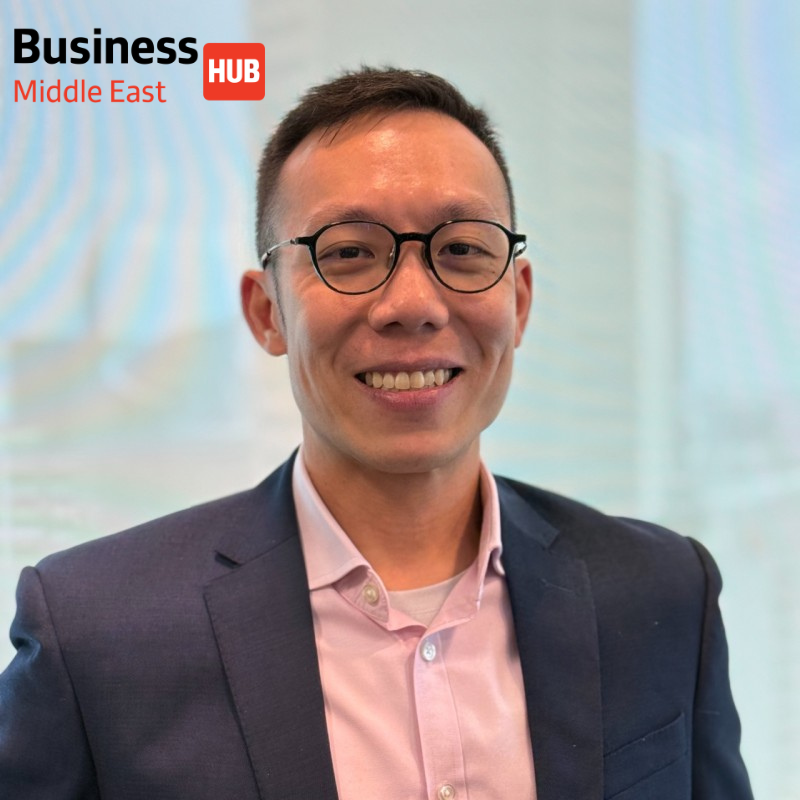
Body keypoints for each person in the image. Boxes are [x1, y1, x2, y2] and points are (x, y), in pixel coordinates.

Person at [0, 67, 752, 800]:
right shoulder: (94, 631)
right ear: (267, 313)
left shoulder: (659, 593)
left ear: (518, 301)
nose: (414, 304)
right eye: (349, 253)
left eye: (462, 249)